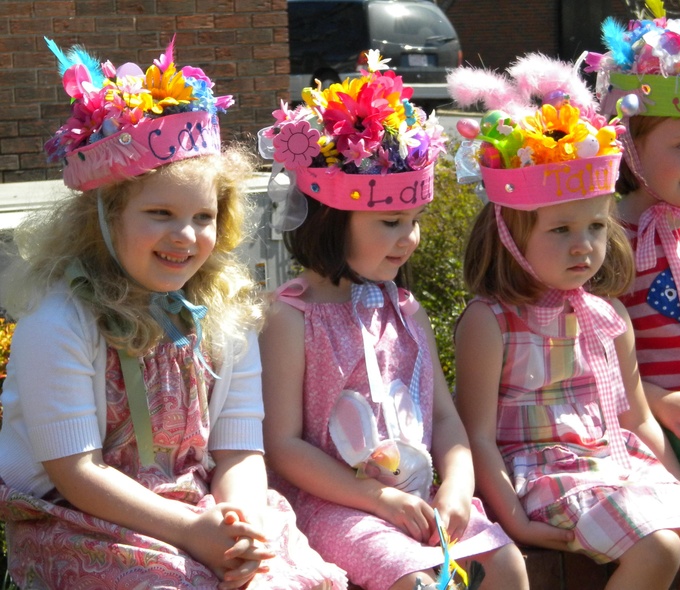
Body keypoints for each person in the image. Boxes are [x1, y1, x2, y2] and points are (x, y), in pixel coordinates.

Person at [0, 38, 347, 590]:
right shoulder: (61, 320)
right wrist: (191, 533)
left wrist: (241, 529)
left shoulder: (222, 316)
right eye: (159, 213)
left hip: (204, 509)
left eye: (204, 216)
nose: (185, 237)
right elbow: (77, 471)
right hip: (85, 522)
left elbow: (238, 449)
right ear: (105, 219)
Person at [449, 53, 680, 590]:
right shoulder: (492, 322)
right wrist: (510, 514)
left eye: (597, 227)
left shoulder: (609, 316)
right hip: (544, 476)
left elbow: (638, 421)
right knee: (658, 549)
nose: (584, 246)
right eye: (560, 230)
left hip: (618, 465)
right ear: (510, 233)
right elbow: (477, 436)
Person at [256, 50, 528, 590]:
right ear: (330, 220)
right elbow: (282, 444)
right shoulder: (291, 318)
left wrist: (455, 486)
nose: (410, 237)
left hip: (424, 497)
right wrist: (374, 496)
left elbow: (445, 420)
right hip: (335, 505)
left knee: (506, 564)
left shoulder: (405, 311)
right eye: (390, 221)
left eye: (414, 220)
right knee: (413, 578)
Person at [584, 7, 680, 505]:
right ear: (629, 144)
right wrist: (657, 402)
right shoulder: (607, 234)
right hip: (649, 436)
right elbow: (589, 357)